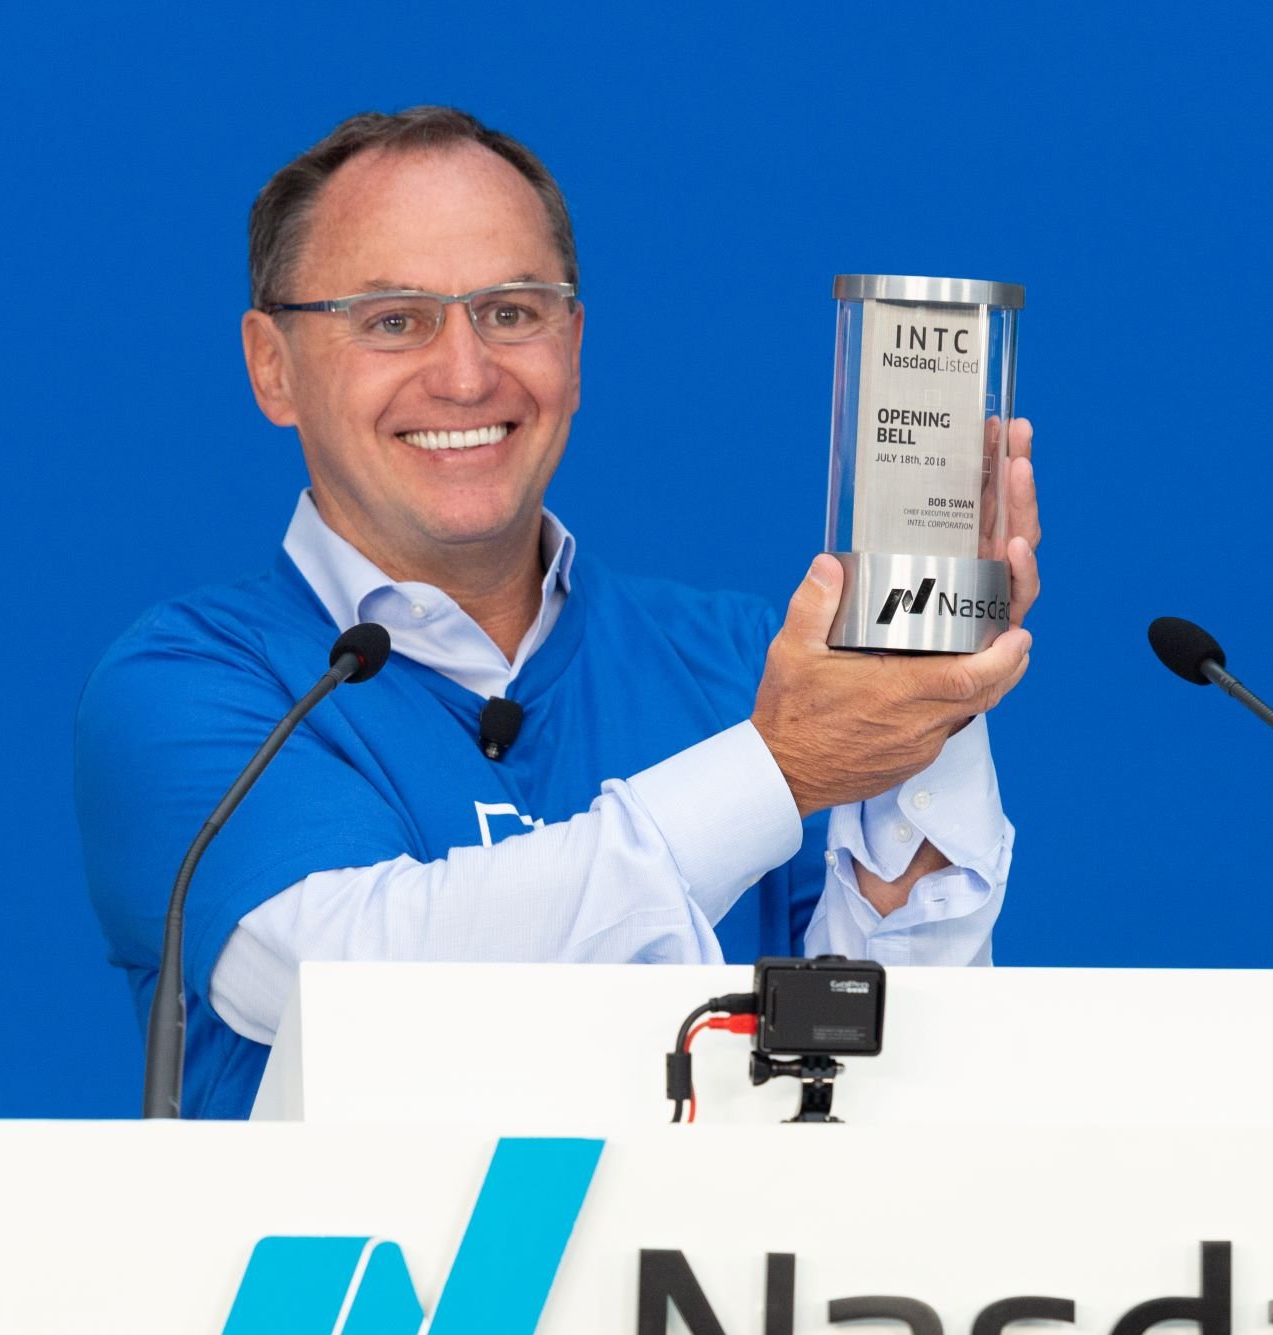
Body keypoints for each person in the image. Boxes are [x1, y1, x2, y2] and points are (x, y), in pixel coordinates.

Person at [74, 107, 1043, 1118]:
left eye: (511, 312)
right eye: (393, 320)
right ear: (273, 365)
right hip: (368, 1276)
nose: (464, 374)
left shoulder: (742, 661)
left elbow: (888, 1076)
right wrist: (775, 770)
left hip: (694, 1275)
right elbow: (348, 989)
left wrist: (929, 691)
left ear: (572, 344)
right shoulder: (194, 686)